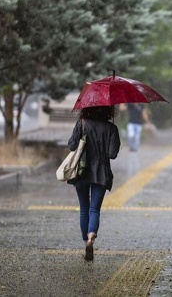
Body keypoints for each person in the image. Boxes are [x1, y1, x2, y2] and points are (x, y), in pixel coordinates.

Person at [68, 105, 121, 261]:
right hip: (101, 173)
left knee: (84, 208)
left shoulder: (82, 123)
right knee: (94, 209)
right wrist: (113, 136)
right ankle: (92, 235)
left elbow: (71, 145)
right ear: (108, 111)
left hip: (81, 171)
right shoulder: (111, 128)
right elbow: (112, 154)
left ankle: (86, 242)